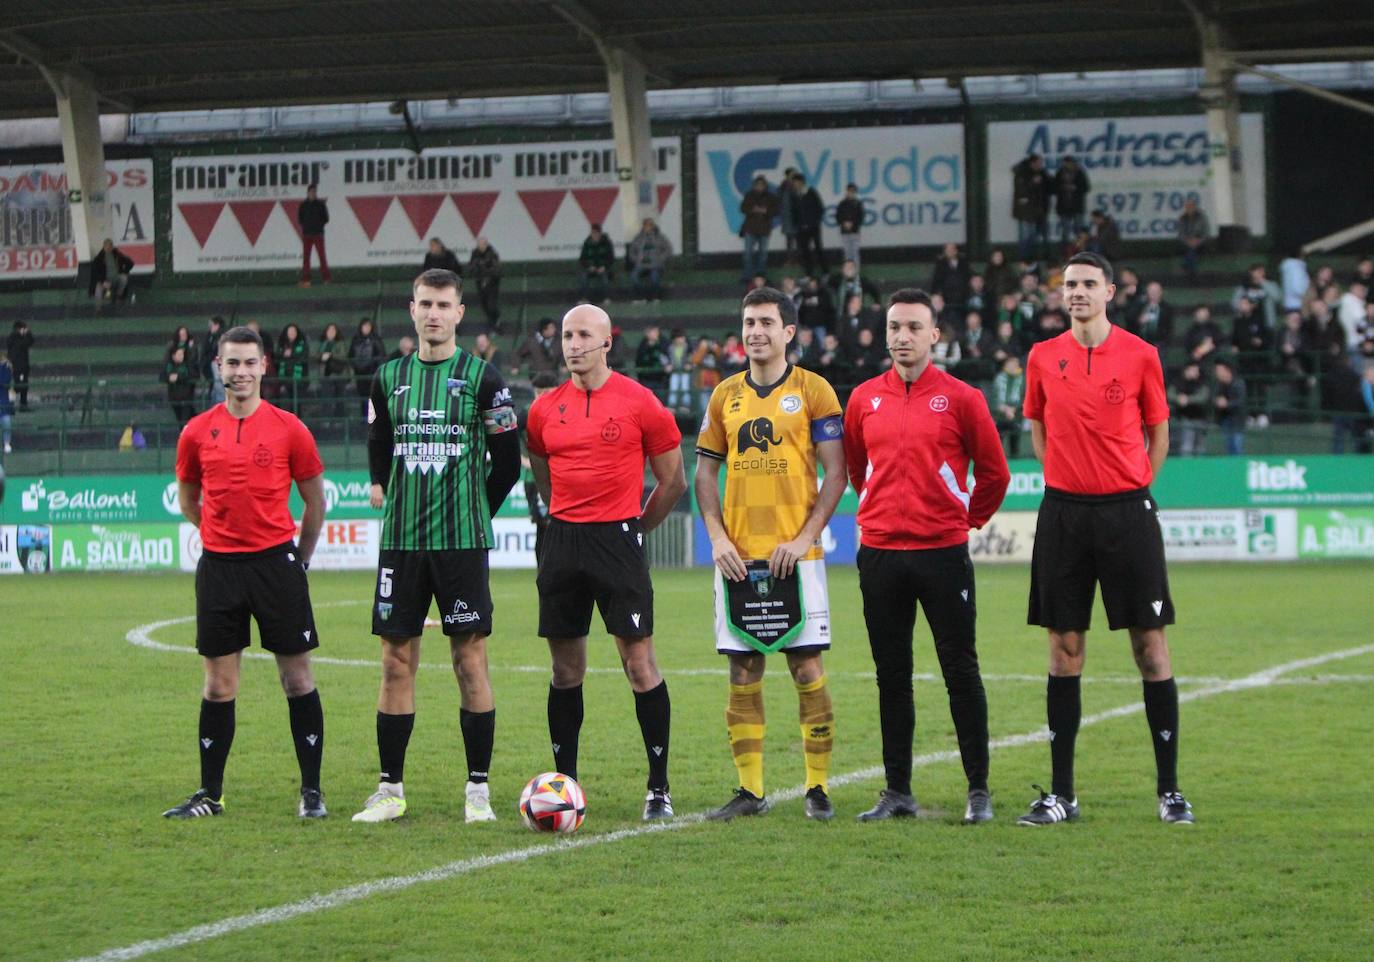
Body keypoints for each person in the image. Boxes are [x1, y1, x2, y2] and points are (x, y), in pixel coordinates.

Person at [1019, 251, 1194, 827]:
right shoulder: (1042, 357)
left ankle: (1169, 791)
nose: (1077, 292)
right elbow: (1038, 426)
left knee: (1150, 648)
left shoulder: (1141, 355)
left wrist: (1136, 486)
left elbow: (1158, 431)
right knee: (1064, 650)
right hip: (1064, 514)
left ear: (1110, 292)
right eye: (1069, 284)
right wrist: (1064, 481)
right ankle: (1062, 794)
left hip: (1128, 514)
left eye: (1088, 284)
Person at [353, 268, 522, 824]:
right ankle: (390, 790)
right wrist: (380, 481)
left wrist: (477, 513)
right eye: (424, 303)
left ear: (458, 313)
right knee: (395, 662)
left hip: (460, 544)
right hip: (401, 542)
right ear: (411, 309)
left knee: (469, 661)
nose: (432, 313)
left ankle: (478, 791)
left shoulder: (484, 378)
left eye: (443, 304)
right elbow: (378, 436)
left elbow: (506, 461)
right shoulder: (387, 377)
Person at [843, 289, 1009, 824]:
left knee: (960, 670)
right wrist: (875, 510)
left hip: (942, 554)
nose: (902, 337)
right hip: (881, 555)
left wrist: (966, 519)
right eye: (894, 327)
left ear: (935, 335)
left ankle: (978, 791)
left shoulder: (963, 398)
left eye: (914, 327)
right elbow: (855, 468)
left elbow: (995, 472)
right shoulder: (864, 398)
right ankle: (897, 791)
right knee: (891, 675)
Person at [525, 304, 687, 820]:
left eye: (583, 335)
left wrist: (635, 528)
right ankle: (563, 785)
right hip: (563, 542)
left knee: (638, 665)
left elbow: (673, 481)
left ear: (606, 343)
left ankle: (658, 787)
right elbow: (543, 474)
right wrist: (563, 521)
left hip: (618, 542)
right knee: (565, 669)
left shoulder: (641, 403)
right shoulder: (544, 409)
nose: (573, 344)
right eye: (567, 335)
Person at [163, 325, 328, 820]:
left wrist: (299, 557)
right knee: (218, 685)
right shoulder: (196, 431)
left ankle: (312, 793)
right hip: (219, 569)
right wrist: (218, 532)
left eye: (248, 363)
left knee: (297, 679)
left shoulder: (289, 428)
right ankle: (210, 794)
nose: (240, 372)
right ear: (218, 368)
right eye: (231, 363)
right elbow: (190, 499)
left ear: (263, 367)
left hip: (276, 565)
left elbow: (315, 501)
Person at [695, 287, 846, 821]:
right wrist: (716, 537)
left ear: (788, 332)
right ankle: (750, 791)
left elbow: (838, 473)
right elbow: (705, 472)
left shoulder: (814, 391)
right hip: (738, 558)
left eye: (765, 322)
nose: (754, 331)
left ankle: (818, 788)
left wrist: (805, 538)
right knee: (743, 671)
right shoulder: (724, 396)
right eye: (748, 322)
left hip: (797, 559)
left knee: (807, 670)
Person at [521, 371, 559, 561]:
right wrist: (522, 457)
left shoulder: (564, 410)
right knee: (543, 525)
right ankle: (544, 572)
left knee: (560, 525)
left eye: (546, 393)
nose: (542, 398)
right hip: (535, 479)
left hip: (560, 478)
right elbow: (507, 437)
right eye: (539, 393)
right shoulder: (526, 413)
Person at [739, 176, 780, 283]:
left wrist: (766, 211)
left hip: (764, 229)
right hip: (750, 228)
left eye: (762, 185)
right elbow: (743, 208)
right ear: (754, 185)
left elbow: (776, 210)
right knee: (748, 254)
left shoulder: (771, 197)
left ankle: (761, 275)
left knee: (763, 254)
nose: (759, 187)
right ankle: (748, 276)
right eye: (757, 185)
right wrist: (753, 210)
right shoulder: (749, 195)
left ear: (765, 186)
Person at [1012, 153, 1049, 264]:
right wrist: (1032, 183)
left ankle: (1031, 256)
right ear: (1033, 163)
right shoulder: (1022, 173)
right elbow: (1020, 191)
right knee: (1025, 235)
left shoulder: (1041, 173)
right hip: (1025, 211)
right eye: (1038, 162)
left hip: (1037, 211)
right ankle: (1024, 257)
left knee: (1033, 235)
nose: (1040, 165)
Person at [790, 174, 827, 280]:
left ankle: (825, 272)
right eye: (794, 183)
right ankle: (809, 273)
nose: (795, 185)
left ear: (802, 182)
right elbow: (793, 212)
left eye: (796, 182)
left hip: (813, 227)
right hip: (801, 229)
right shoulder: (794, 196)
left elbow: (820, 208)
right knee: (804, 251)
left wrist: (813, 222)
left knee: (818, 249)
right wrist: (797, 224)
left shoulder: (811, 193)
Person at [627, 218, 673, 302]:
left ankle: (655, 297)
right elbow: (632, 251)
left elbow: (668, 250)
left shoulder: (660, 237)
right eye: (647, 225)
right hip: (641, 265)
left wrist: (660, 259)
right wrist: (636, 260)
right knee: (634, 276)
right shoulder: (638, 238)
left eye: (650, 225)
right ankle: (641, 297)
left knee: (654, 277)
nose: (648, 227)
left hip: (655, 265)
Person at [348, 318, 386, 419]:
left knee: (373, 397)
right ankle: (364, 417)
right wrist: (356, 366)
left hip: (372, 373)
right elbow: (351, 355)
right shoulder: (356, 339)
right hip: (360, 373)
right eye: (364, 326)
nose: (366, 328)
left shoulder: (376, 339)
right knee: (363, 396)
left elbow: (381, 355)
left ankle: (373, 418)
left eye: (368, 326)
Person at [992, 354, 1026, 457]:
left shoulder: (1023, 379)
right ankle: (997, 457)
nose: (1012, 366)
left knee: (1015, 429)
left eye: (1015, 364)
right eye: (1010, 364)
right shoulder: (998, 378)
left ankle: (1015, 456)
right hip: (999, 414)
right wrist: (1004, 409)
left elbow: (1026, 397)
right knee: (997, 432)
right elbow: (993, 397)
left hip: (1017, 414)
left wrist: (1014, 409)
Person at [297, 184, 331, 287]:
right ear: (307, 193)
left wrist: (317, 225)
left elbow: (326, 219)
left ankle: (326, 279)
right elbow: (300, 219)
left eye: (314, 192)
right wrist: (307, 227)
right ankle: (306, 280)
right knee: (306, 258)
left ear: (316, 193)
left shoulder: (321, 205)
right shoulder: (303, 205)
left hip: (318, 234)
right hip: (307, 235)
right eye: (311, 192)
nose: (313, 194)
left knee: (322, 257)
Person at [1052, 156, 1090, 246]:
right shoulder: (1059, 173)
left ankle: (1080, 251)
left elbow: (1086, 187)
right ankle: (1065, 252)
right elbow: (1054, 188)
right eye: (1065, 163)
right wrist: (1062, 188)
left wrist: (1075, 188)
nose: (1067, 165)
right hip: (1063, 206)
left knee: (1079, 231)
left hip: (1077, 206)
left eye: (1069, 163)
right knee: (1065, 231)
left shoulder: (1080, 173)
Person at [1212, 358, 1246, 456]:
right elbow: (1214, 398)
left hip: (1236, 421)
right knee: (1229, 446)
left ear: (1227, 371)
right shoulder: (1219, 386)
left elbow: (1240, 401)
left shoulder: (1238, 384)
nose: (1217, 373)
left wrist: (1227, 404)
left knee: (1237, 446)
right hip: (1225, 420)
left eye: (1219, 370)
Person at [469, 236, 502, 330]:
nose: (481, 246)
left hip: (492, 284)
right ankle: (491, 321)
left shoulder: (492, 254)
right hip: (480, 283)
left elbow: (496, 269)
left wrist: (485, 271)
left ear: (486, 244)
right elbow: (471, 268)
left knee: (491, 304)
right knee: (484, 304)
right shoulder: (475, 254)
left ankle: (496, 321)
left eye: (483, 244)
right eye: (479, 244)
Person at [275, 323, 309, 416]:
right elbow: (277, 358)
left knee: (297, 403)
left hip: (298, 380)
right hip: (285, 379)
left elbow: (303, 358)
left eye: (293, 331)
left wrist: (291, 354)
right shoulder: (282, 345)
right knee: (287, 403)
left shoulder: (302, 344)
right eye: (290, 331)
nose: (292, 333)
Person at [88, 238, 135, 304]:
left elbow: (130, 262)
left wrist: (125, 271)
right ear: (103, 246)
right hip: (105, 280)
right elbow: (95, 273)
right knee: (99, 289)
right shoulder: (98, 258)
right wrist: (103, 281)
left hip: (116, 278)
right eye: (107, 246)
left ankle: (119, 296)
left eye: (110, 246)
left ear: (112, 246)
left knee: (124, 278)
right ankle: (99, 307)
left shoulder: (117, 255)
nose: (109, 248)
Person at [578, 223, 616, 305]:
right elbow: (582, 259)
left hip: (604, 268)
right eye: (593, 233)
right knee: (583, 277)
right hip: (591, 268)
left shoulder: (606, 243)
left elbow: (611, 258)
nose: (594, 235)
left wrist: (604, 267)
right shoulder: (587, 243)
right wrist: (589, 267)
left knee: (605, 278)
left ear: (600, 233)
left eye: (596, 233)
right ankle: (585, 298)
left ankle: (607, 298)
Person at [318, 322, 349, 419]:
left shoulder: (340, 343)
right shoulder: (323, 344)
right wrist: (321, 357)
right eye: (329, 330)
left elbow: (343, 356)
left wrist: (331, 355)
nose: (331, 332)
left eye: (333, 330)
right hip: (326, 375)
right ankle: (327, 420)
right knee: (326, 399)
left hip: (339, 374)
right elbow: (317, 356)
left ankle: (340, 420)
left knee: (340, 399)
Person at [162, 345, 198, 427]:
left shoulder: (187, 365)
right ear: (173, 356)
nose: (181, 356)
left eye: (182, 354)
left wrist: (178, 377)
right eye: (178, 354)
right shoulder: (169, 366)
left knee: (185, 421)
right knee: (181, 421)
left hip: (186, 398)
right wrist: (169, 378)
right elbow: (162, 376)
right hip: (174, 398)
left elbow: (194, 375)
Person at [1176, 198, 1209, 280]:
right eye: (1187, 206)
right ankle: (1192, 272)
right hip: (1187, 242)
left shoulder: (1201, 217)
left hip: (1200, 242)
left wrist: (1199, 240)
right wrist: (1188, 241)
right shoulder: (1182, 218)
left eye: (1190, 206)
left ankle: (1188, 269)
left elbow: (1206, 232)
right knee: (1190, 249)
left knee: (1192, 250)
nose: (1188, 208)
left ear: (1194, 207)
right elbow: (1180, 234)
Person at [835, 182, 864, 269]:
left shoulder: (858, 204)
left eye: (853, 192)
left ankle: (856, 273)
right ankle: (848, 272)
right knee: (847, 253)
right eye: (849, 191)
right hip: (844, 232)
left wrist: (853, 224)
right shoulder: (841, 204)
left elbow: (860, 217)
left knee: (855, 252)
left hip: (855, 231)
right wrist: (844, 223)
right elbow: (838, 216)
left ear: (855, 193)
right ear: (846, 191)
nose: (851, 193)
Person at [7, 321, 33, 412]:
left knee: (24, 386)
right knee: (19, 387)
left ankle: (23, 405)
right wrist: (26, 334)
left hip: (23, 367)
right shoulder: (13, 338)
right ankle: (8, 403)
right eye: (23, 329)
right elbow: (24, 344)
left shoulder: (21, 337)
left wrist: (28, 334)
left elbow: (30, 342)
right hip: (18, 368)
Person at [0, 350, 13, 454]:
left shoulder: (6, 367)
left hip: (3, 401)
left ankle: (6, 443)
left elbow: (5, 381)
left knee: (7, 423)